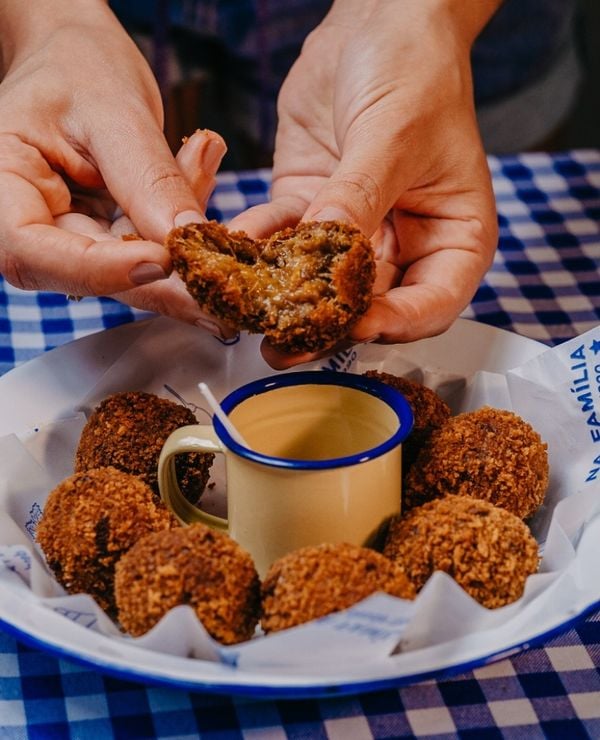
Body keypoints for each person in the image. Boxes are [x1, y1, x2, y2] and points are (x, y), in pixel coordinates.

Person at [0, 0, 571, 368]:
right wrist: (48, 22)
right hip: (134, 20)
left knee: (421, 169)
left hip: (444, 38)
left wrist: (422, 16)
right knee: (104, 190)